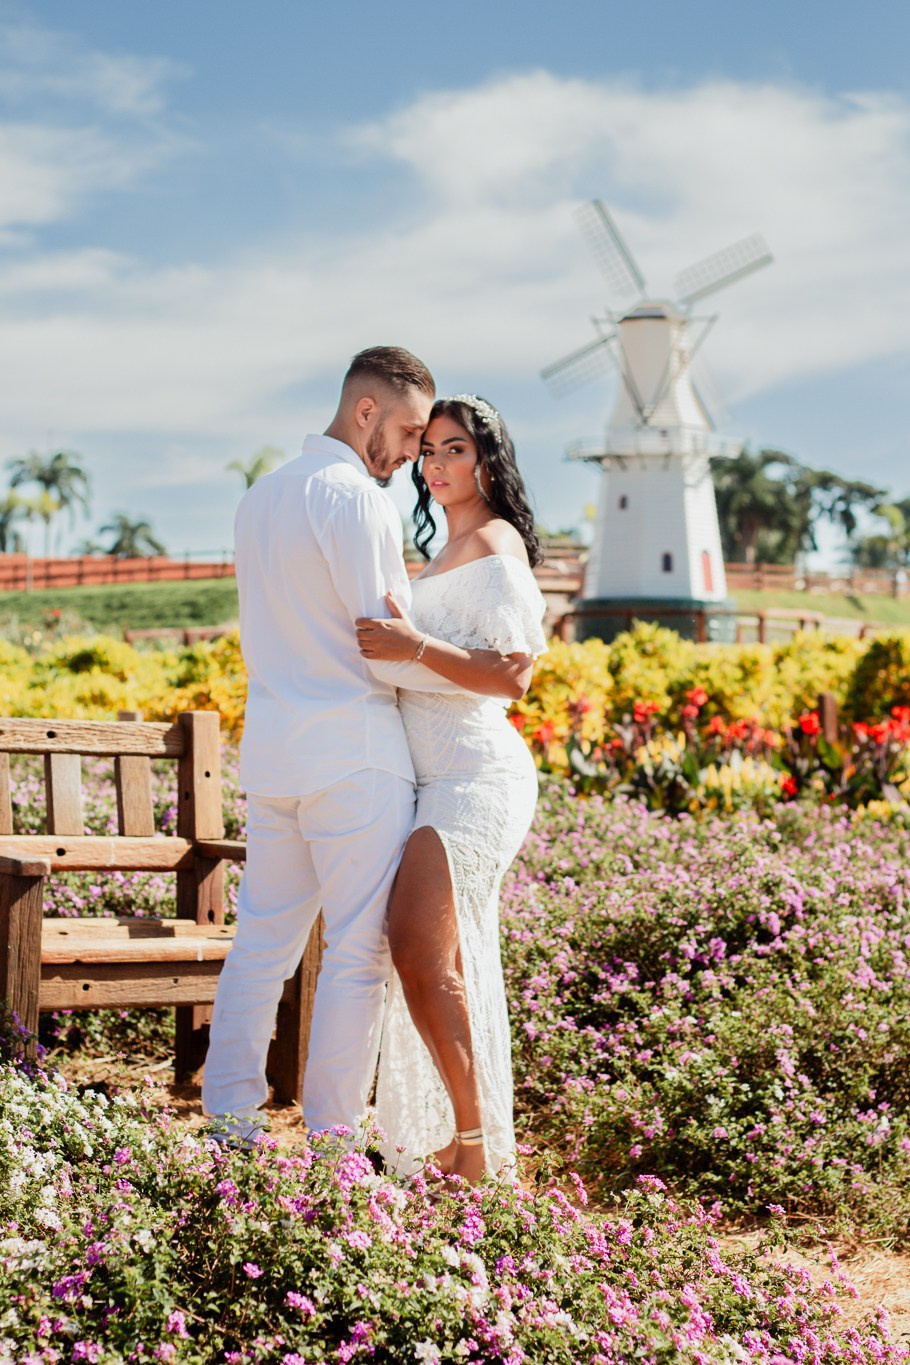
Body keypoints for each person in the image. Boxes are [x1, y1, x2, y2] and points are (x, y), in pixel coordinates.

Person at [203, 346, 477, 1146]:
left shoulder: (260, 497)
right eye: (404, 430)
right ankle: (331, 1136)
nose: (410, 452)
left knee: (261, 942)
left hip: (276, 753)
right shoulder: (356, 499)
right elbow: (382, 635)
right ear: (366, 412)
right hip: (355, 754)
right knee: (359, 950)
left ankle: (228, 1120)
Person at [355, 395, 547, 1180]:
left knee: (421, 947)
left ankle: (473, 1148)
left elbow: (513, 674)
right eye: (427, 451)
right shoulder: (442, 548)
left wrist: (413, 641)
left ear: (489, 459)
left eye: (453, 449)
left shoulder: (495, 541)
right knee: (426, 954)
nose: (435, 465)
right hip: (431, 778)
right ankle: (465, 1141)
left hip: (475, 776)